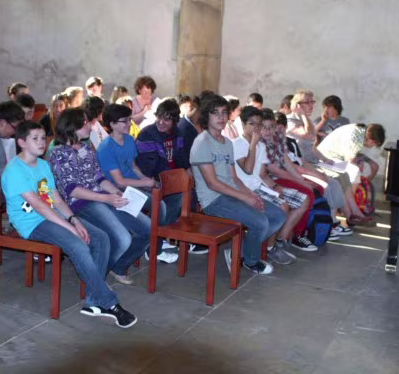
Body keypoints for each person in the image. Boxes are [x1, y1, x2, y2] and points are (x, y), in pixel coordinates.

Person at [2, 121, 136, 328]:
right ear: (21, 142)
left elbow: (55, 199)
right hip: (31, 222)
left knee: (100, 238)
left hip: (52, 216)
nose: (42, 142)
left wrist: (74, 219)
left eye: (43, 137)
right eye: (35, 138)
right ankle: (109, 302)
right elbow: (39, 206)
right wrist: (70, 227)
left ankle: (93, 301)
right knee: (77, 244)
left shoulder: (43, 165)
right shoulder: (14, 170)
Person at [48, 109, 150, 285]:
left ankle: (116, 266)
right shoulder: (58, 153)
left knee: (147, 228)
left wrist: (116, 193)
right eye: (85, 122)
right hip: (81, 203)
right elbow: (71, 190)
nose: (90, 126)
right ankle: (96, 283)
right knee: (122, 238)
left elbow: (99, 178)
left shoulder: (87, 147)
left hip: (102, 197)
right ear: (72, 126)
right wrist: (106, 199)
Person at [190, 93, 286, 274]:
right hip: (213, 200)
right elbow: (213, 184)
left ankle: (238, 252)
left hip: (232, 194)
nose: (221, 117)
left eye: (224, 112)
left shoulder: (226, 143)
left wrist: (250, 194)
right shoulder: (202, 143)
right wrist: (245, 197)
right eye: (215, 113)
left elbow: (234, 178)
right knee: (261, 222)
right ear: (206, 116)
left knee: (278, 216)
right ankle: (250, 260)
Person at [97, 103, 178, 263]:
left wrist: (144, 179)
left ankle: (156, 241)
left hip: (133, 185)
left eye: (129, 119)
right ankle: (154, 249)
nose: (129, 124)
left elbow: (133, 166)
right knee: (159, 205)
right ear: (112, 124)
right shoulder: (106, 148)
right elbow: (119, 181)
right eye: (124, 121)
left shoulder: (128, 140)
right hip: (117, 190)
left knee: (170, 197)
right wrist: (143, 183)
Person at [233, 107, 311, 255]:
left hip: (260, 186)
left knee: (304, 199)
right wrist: (252, 145)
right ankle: (269, 247)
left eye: (259, 124)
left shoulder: (261, 145)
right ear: (243, 125)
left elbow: (262, 174)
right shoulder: (236, 144)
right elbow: (248, 170)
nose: (256, 128)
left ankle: (280, 239)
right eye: (252, 124)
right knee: (282, 206)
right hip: (245, 189)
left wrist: (275, 187)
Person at [135, 99, 205, 254]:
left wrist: (188, 170)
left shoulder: (177, 133)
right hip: (151, 181)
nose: (161, 122)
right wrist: (177, 177)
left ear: (174, 121)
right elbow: (150, 168)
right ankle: (157, 240)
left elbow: (181, 158)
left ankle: (182, 237)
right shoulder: (147, 134)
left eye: (166, 119)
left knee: (194, 190)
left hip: (171, 179)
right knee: (181, 195)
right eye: (159, 117)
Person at [316, 123, 385, 226]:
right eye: (374, 144)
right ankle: (350, 212)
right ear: (371, 140)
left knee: (350, 174)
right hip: (324, 159)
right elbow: (350, 161)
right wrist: (358, 163)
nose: (372, 146)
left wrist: (360, 161)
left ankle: (352, 213)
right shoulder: (356, 137)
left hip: (332, 158)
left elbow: (351, 156)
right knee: (353, 172)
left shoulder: (360, 132)